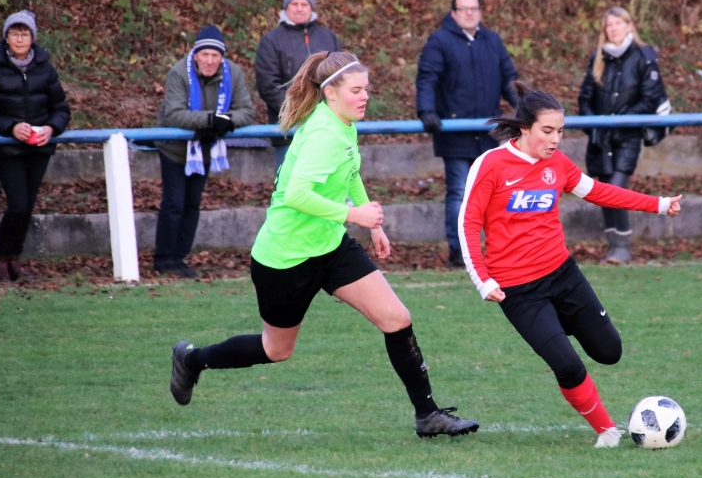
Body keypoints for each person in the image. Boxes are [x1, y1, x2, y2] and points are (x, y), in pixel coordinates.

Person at [169, 50, 479, 439]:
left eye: (366, 89)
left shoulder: (342, 124)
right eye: (356, 90)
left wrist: (371, 220)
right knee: (276, 350)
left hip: (330, 248)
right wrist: (354, 215)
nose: (365, 96)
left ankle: (428, 415)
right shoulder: (322, 133)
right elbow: (297, 195)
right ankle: (192, 360)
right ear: (330, 92)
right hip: (285, 258)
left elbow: (349, 173)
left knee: (396, 319)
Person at [459, 84, 682, 448]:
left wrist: (657, 204)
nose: (555, 140)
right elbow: (468, 223)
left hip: (563, 275)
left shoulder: (558, 164)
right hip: (518, 289)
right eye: (547, 131)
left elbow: (599, 191)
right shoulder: (491, 165)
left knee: (609, 352)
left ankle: (555, 324)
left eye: (560, 131)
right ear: (524, 128)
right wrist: (482, 279)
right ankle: (606, 431)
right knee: (567, 365)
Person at [416, 0, 519, 268]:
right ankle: (459, 252)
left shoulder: (492, 41)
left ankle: (499, 250)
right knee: (459, 193)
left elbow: (509, 79)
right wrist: (426, 111)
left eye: (474, 8)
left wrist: (525, 108)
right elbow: (427, 78)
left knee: (495, 194)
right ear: (454, 13)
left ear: (480, 12)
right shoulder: (440, 41)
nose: (470, 13)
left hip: (487, 135)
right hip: (455, 134)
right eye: (464, 9)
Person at [154, 26, 256, 277]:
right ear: (196, 55)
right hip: (174, 150)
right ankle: (163, 259)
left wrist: (224, 122)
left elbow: (247, 111)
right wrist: (211, 120)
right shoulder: (179, 72)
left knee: (192, 204)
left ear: (222, 57)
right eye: (205, 55)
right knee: (174, 203)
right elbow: (174, 114)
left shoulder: (234, 73)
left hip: (207, 148)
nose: (210, 61)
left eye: (215, 55)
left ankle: (179, 258)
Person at [0, 10, 70, 281]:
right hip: (6, 147)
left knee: (27, 206)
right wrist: (11, 127)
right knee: (17, 205)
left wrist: (51, 128)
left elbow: (61, 108)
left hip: (39, 146)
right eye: (15, 33)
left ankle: (14, 258)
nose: (19, 38)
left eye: (25, 33)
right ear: (6, 37)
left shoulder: (45, 68)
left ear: (33, 38)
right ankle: (0, 258)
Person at [577, 7, 668, 264]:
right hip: (600, 138)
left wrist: (622, 119)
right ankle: (614, 247)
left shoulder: (644, 56)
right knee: (604, 192)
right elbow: (585, 98)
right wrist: (593, 125)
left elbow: (651, 97)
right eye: (609, 25)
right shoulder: (598, 57)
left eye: (618, 23)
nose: (614, 28)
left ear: (629, 26)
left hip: (627, 136)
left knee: (616, 188)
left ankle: (622, 247)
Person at [255, 0, 341, 169]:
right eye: (294, 3)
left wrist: (327, 113)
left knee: (327, 183)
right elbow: (268, 85)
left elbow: (340, 79)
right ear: (286, 7)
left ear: (311, 7)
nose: (299, 8)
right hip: (290, 130)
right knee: (290, 184)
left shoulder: (328, 37)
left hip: (327, 129)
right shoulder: (271, 40)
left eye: (304, 4)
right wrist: (300, 110)